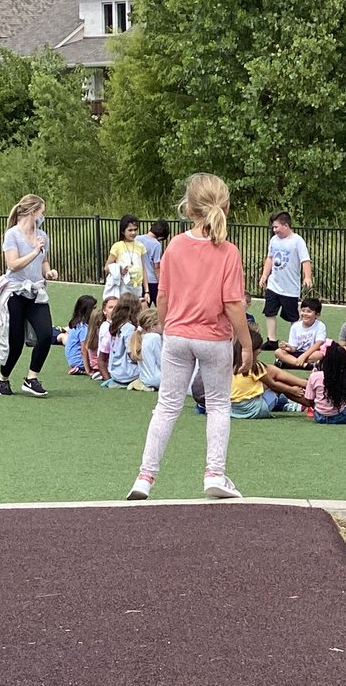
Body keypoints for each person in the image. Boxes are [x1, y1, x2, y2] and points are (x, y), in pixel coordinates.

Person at [126, 172, 253, 501]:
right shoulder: (228, 251)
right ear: (224, 206)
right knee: (219, 406)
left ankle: (145, 477)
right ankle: (215, 473)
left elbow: (163, 296)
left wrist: (169, 328)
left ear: (189, 208)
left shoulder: (175, 247)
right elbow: (233, 304)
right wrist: (248, 344)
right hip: (213, 337)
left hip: (178, 334)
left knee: (166, 406)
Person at [0, 194, 58, 397]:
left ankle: (31, 378)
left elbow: (44, 261)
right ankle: (3, 379)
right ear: (32, 211)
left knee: (45, 334)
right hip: (15, 292)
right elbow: (13, 264)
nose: (42, 217)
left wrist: (48, 271)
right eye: (41, 212)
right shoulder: (12, 235)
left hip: (35, 292)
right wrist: (35, 251)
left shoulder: (42, 236)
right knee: (16, 342)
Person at [258, 211, 312, 350]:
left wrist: (307, 277)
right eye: (273, 227)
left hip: (290, 288)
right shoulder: (274, 240)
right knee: (269, 311)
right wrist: (265, 275)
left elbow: (305, 260)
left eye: (276, 227)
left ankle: (295, 341)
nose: (274, 230)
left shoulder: (297, 241)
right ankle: (272, 340)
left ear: (286, 225)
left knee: (293, 317)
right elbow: (269, 258)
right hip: (274, 284)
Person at [103, 214, 150, 304]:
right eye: (130, 230)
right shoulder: (117, 246)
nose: (133, 233)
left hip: (137, 288)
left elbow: (143, 269)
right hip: (122, 287)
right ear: (123, 231)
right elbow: (106, 268)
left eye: (135, 229)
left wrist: (146, 291)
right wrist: (119, 269)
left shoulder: (140, 246)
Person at [101, 294, 143, 388]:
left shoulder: (116, 325)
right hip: (127, 372)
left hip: (115, 371)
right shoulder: (129, 328)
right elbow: (131, 353)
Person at [275, 297, 327, 368]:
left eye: (309, 311)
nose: (305, 314)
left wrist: (303, 356)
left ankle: (289, 363)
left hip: (310, 353)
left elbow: (318, 344)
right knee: (278, 352)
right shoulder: (295, 326)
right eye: (303, 311)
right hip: (297, 353)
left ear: (317, 315)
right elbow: (294, 348)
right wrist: (289, 347)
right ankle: (305, 365)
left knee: (319, 354)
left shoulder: (320, 325)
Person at [126, 307, 163, 391]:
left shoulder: (141, 337)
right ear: (152, 326)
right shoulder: (155, 337)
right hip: (158, 379)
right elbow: (161, 361)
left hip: (145, 379)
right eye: (161, 323)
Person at [137, 219, 170, 306]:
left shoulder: (137, 239)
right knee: (160, 305)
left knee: (142, 306)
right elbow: (156, 266)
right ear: (161, 237)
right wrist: (160, 281)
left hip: (139, 279)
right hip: (152, 280)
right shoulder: (156, 244)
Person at [62, 294, 96, 375]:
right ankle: (83, 369)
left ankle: (79, 369)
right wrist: (88, 371)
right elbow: (83, 351)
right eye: (94, 308)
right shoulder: (84, 328)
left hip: (72, 359)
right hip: (78, 360)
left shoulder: (76, 323)